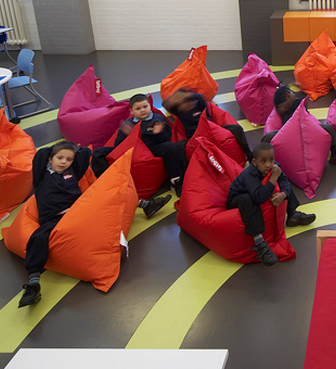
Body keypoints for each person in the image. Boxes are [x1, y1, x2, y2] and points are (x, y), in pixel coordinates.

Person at [19, 142, 170, 307]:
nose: (63, 162)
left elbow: (84, 153)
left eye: (68, 159)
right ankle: (33, 284)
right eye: (59, 158)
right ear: (50, 159)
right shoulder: (42, 175)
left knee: (111, 194)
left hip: (79, 211)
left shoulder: (72, 172)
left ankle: (146, 206)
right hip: (54, 218)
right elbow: (40, 154)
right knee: (38, 237)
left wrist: (73, 150)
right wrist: (58, 149)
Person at [227, 143, 317, 265]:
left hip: (257, 192)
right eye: (263, 161)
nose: (268, 164)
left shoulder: (275, 167)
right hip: (237, 199)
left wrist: (284, 194)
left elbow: (285, 181)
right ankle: (259, 242)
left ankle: (292, 214)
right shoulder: (250, 174)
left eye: (271, 160)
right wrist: (273, 178)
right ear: (254, 162)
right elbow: (259, 197)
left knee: (283, 185)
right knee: (248, 199)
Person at [91, 93, 187, 188]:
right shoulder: (128, 123)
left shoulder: (157, 119)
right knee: (98, 152)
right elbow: (118, 146)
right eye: (138, 109)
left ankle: (175, 179)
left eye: (145, 106)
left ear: (150, 106)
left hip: (151, 148)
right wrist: (126, 135)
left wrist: (158, 133)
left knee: (171, 147)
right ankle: (104, 180)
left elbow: (167, 138)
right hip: (131, 150)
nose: (142, 110)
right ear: (131, 110)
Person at [263, 83, 336, 168]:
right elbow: (280, 112)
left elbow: (305, 113)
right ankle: (264, 158)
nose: (293, 94)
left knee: (329, 128)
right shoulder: (281, 111)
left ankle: (334, 155)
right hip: (288, 133)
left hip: (305, 128)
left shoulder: (299, 102)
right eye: (290, 93)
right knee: (268, 136)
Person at [164, 89, 253, 163]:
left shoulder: (199, 104)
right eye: (181, 103)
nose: (185, 105)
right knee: (177, 147)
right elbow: (166, 105)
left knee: (237, 128)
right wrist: (173, 100)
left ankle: (249, 155)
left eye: (186, 101)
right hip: (194, 137)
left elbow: (199, 97)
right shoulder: (181, 111)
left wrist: (186, 96)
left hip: (212, 130)